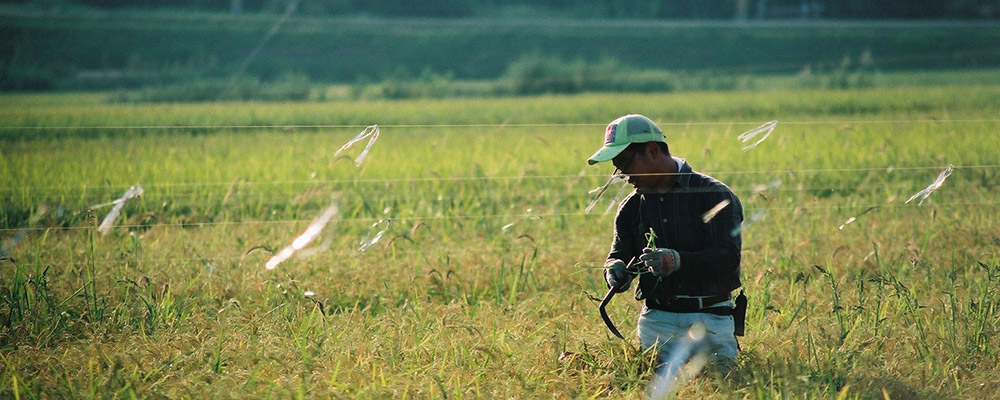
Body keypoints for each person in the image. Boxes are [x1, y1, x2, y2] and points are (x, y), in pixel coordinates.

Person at [588, 114, 745, 372]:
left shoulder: (713, 194)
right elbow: (617, 254)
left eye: (625, 164)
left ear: (651, 151)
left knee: (720, 384)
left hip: (710, 318)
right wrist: (615, 271)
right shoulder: (630, 207)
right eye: (617, 169)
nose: (623, 176)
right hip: (657, 321)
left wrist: (677, 261)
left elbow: (728, 258)